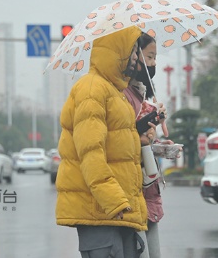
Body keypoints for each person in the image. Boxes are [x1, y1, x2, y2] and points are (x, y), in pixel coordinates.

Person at [55, 26, 151, 258]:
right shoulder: (92, 89)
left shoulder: (115, 92)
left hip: (118, 210)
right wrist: (113, 199)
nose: (137, 58)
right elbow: (90, 152)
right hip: (100, 209)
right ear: (117, 52)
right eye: (134, 51)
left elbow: (118, 149)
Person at [123, 32, 174, 258]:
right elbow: (124, 140)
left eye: (155, 58)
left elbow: (144, 141)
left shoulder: (140, 94)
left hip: (148, 190)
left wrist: (158, 143)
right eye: (148, 57)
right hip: (135, 191)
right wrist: (145, 124)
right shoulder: (122, 95)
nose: (152, 63)